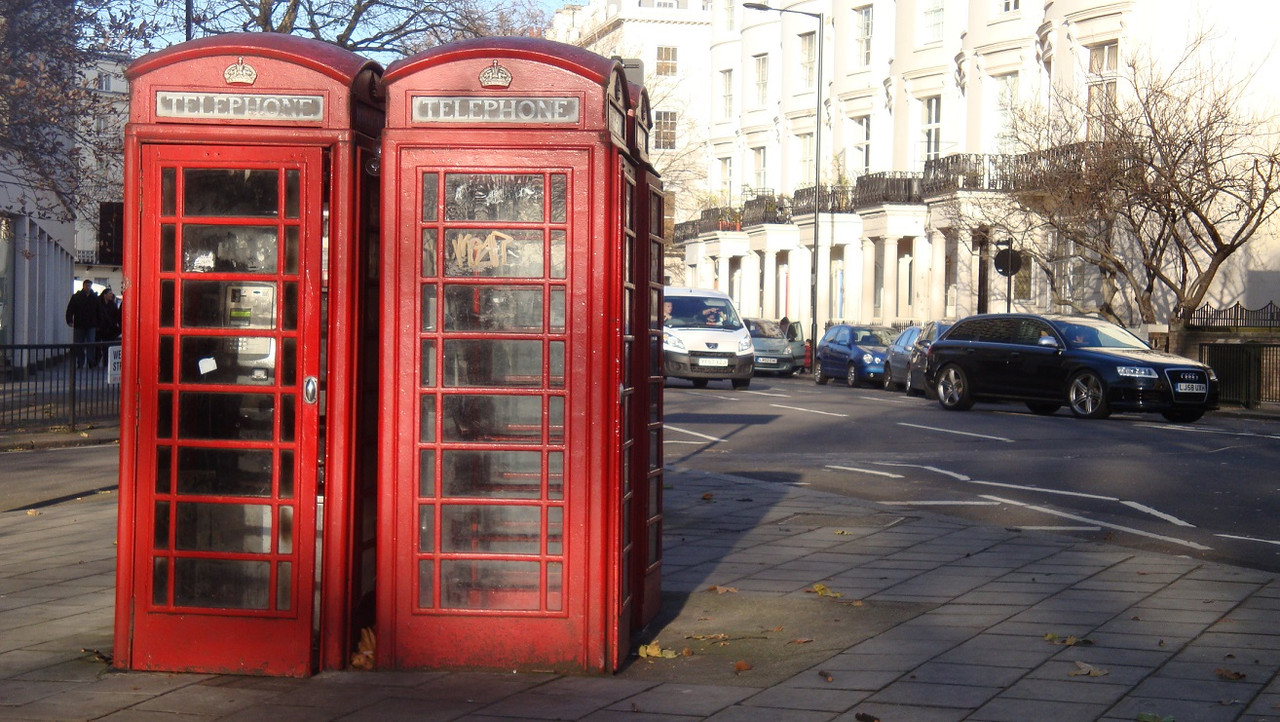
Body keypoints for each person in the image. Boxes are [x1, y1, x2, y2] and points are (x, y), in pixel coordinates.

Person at [65, 279, 101, 368]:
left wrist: (99, 323)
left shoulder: (94, 298)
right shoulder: (77, 297)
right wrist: (69, 320)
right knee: (79, 344)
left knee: (90, 343)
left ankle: (90, 361)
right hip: (80, 324)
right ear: (83, 286)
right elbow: (70, 309)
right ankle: (81, 362)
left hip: (90, 324)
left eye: (89, 286)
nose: (88, 287)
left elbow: (99, 312)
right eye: (86, 286)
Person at [96, 288, 122, 367]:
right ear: (105, 295)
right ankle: (97, 359)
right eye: (110, 293)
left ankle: (106, 361)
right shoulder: (98, 304)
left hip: (109, 328)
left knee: (107, 346)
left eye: (111, 293)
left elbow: (117, 315)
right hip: (100, 328)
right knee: (97, 345)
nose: (111, 295)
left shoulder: (113, 304)